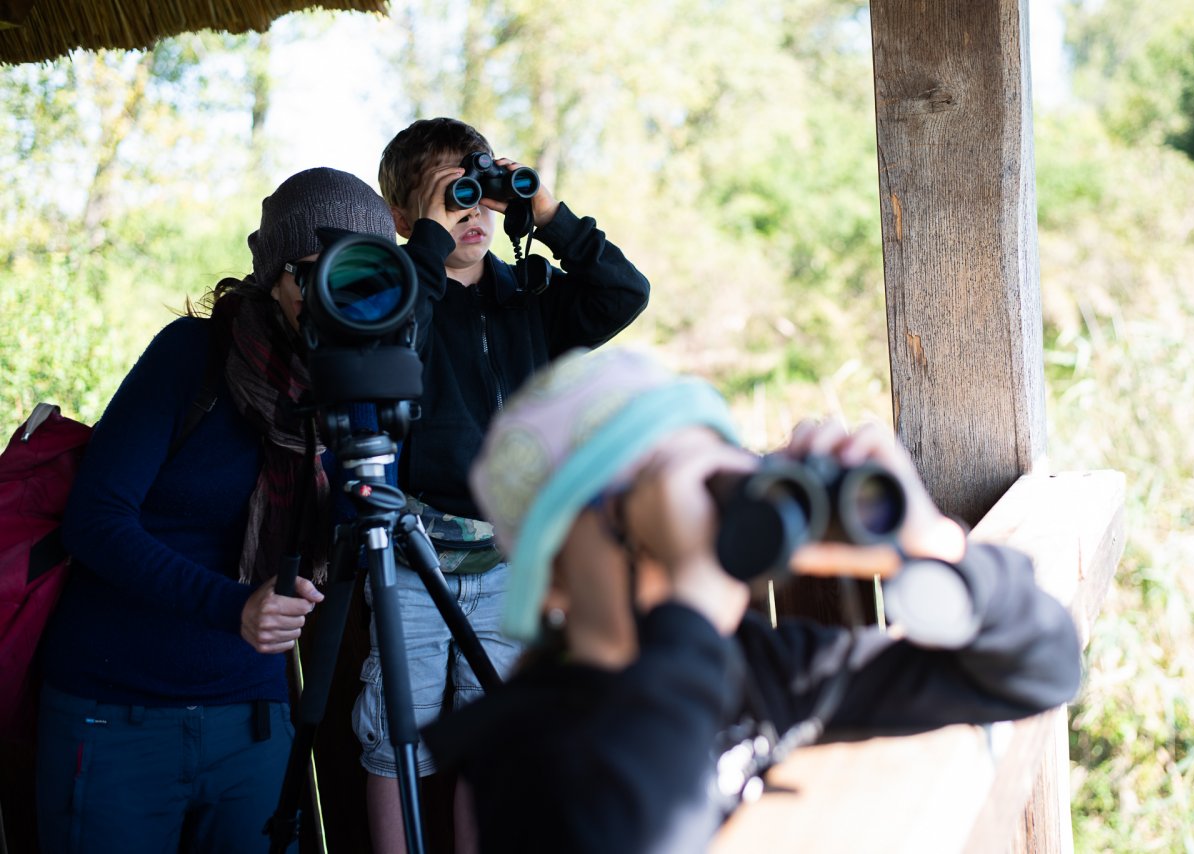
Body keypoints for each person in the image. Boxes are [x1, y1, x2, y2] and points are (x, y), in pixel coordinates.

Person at [418, 346, 1084, 854]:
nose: (693, 523)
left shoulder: (761, 668)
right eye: (651, 499)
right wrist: (696, 599)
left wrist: (929, 544)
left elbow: (1041, 669)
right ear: (554, 576)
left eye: (714, 485)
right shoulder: (529, 743)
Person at [34, 168, 400, 854]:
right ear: (275, 276)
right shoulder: (194, 354)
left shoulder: (356, 387)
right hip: (116, 710)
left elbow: (356, 530)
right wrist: (232, 606)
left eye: (364, 276)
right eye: (319, 274)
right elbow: (96, 520)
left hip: (251, 718)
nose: (340, 296)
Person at [354, 117, 650, 851]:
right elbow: (388, 341)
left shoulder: (530, 298)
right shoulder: (396, 295)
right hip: (414, 557)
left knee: (500, 739)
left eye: (481, 193)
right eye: (451, 197)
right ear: (404, 218)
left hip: (510, 558)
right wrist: (426, 248)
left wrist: (546, 215)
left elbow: (624, 293)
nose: (473, 213)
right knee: (397, 739)